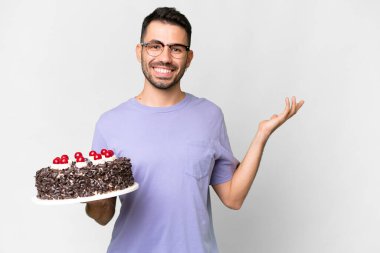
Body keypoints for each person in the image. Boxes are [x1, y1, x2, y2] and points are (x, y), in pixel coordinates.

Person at [85, 7, 304, 253]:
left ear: (188, 58)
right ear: (140, 51)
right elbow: (102, 216)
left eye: (176, 48)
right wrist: (97, 200)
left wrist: (262, 135)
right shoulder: (110, 124)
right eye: (155, 46)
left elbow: (233, 198)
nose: (165, 58)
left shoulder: (209, 116)